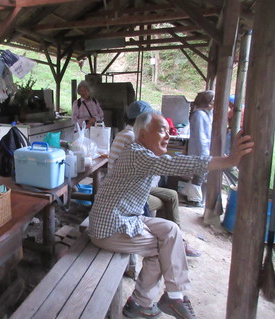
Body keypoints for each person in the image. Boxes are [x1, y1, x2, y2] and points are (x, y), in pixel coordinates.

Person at [88, 111, 253, 319]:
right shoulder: (138, 154)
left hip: (125, 218)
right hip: (109, 228)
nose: (168, 136)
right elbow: (174, 164)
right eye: (161, 130)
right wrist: (230, 160)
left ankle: (171, 296)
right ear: (142, 134)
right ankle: (144, 301)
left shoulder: (141, 153)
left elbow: (169, 163)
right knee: (162, 249)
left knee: (171, 229)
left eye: (168, 131)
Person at [109, 100, 201, 263]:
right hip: (129, 191)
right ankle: (169, 243)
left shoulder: (125, 133)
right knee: (165, 200)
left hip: (134, 185)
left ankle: (175, 240)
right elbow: (154, 167)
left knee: (171, 195)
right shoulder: (132, 138)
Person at [181, 90, 215, 206]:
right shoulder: (199, 115)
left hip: (202, 149)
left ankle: (186, 192)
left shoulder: (205, 114)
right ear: (208, 103)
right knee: (199, 175)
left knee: (198, 175)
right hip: (200, 150)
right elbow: (201, 137)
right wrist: (205, 154)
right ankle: (194, 199)